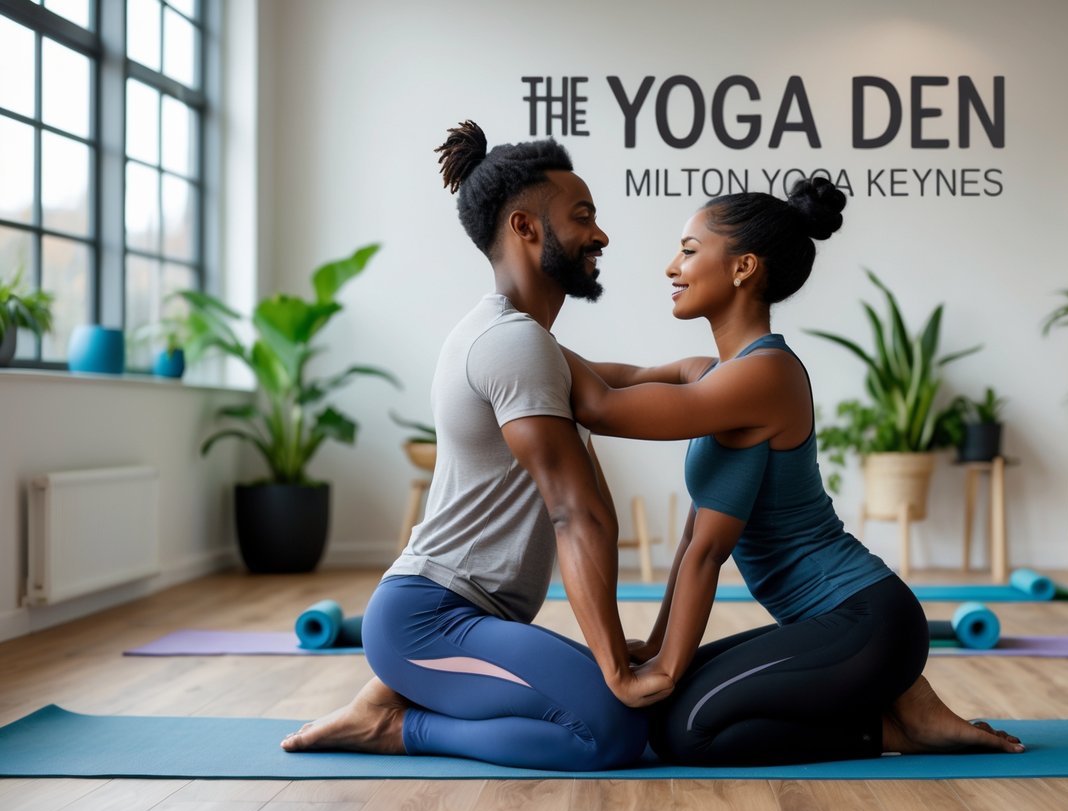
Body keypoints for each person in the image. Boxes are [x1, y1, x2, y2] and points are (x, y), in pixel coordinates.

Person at [562, 177, 1026, 766]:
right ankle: (909, 707)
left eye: (687, 249)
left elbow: (604, 411)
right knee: (663, 719)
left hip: (867, 620)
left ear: (742, 268)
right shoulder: (711, 372)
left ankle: (894, 732)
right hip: (841, 626)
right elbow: (617, 380)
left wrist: (667, 666)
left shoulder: (765, 376)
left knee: (687, 733)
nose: (670, 267)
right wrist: (655, 646)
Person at [281, 121, 670, 771]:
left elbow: (618, 384)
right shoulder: (511, 343)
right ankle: (398, 727)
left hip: (463, 620)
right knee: (609, 732)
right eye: (582, 217)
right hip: (427, 621)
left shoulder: (516, 336)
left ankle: (383, 698)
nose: (600, 234)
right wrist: (610, 664)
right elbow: (577, 513)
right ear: (525, 228)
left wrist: (722, 374)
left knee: (620, 713)